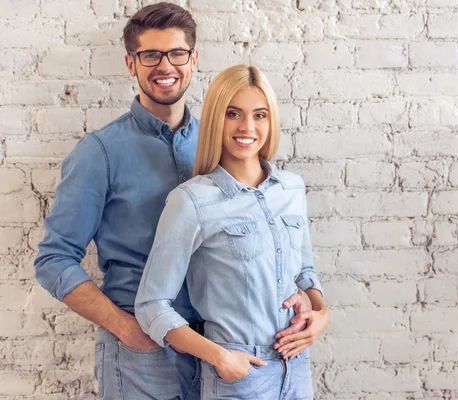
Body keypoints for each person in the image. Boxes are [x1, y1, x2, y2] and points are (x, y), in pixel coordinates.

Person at [34, 3, 319, 399]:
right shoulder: (100, 153)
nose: (164, 65)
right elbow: (53, 260)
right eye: (150, 55)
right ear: (131, 64)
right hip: (144, 354)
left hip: (220, 347)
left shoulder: (223, 141)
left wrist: (301, 293)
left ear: (193, 59)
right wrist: (126, 328)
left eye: (176, 53)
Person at [135, 64, 329, 400]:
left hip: (297, 369)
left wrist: (320, 314)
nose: (247, 127)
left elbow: (306, 273)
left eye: (260, 115)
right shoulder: (191, 200)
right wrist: (219, 357)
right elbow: (151, 305)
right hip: (240, 376)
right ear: (215, 119)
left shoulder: (291, 189)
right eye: (233, 113)